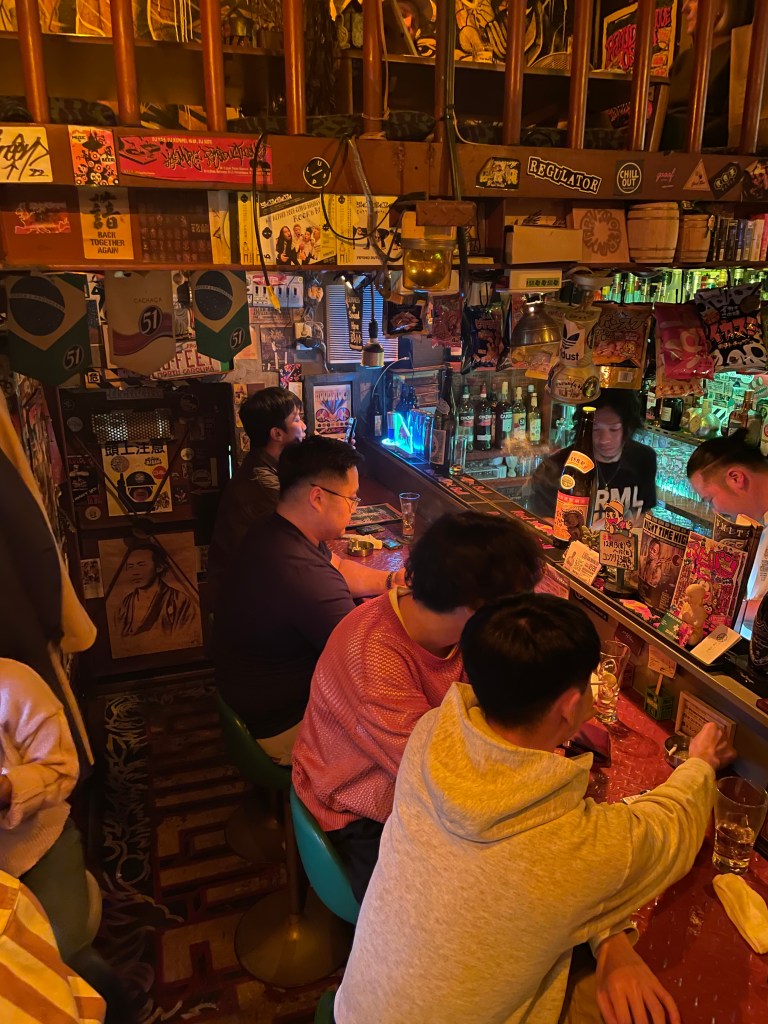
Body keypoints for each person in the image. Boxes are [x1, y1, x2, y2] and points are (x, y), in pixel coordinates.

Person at [334, 594, 736, 1024]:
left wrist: (609, 937)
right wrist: (701, 764)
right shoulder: (577, 844)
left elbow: (548, 877)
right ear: (568, 708)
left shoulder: (431, 733)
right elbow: (671, 827)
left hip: (358, 1007)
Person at [292, 512, 544, 901]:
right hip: (356, 807)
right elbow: (438, 775)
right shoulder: (375, 655)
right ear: (478, 608)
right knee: (480, 902)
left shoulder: (452, 630)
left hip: (404, 780)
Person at [214, 436, 405, 765]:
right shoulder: (300, 574)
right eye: (351, 499)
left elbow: (340, 567)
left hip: (249, 697)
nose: (354, 508)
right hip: (282, 725)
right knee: (405, 730)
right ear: (317, 497)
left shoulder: (274, 530)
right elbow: (365, 662)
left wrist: (393, 582)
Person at [0, 657, 133, 1023]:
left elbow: (62, 771)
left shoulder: (13, 682)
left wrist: (9, 789)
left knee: (62, 958)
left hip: (37, 848)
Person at [207, 388, 306, 602]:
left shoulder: (267, 464)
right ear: (277, 434)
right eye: (297, 419)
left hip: (253, 582)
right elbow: (306, 518)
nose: (304, 426)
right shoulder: (263, 482)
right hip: (242, 596)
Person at [529, 389, 656, 529]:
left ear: (628, 427)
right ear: (583, 427)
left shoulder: (643, 459)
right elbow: (541, 523)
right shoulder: (557, 466)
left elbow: (646, 512)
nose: (604, 440)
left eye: (614, 429)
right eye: (595, 429)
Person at [687, 428, 768, 632]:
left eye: (710, 500)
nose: (715, 511)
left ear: (735, 478)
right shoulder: (758, 521)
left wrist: (724, 611)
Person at [662, 0, 754, 151]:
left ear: (722, 5)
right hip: (666, 153)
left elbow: (732, 126)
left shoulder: (742, 54)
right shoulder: (683, 60)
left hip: (709, 157)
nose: (684, 8)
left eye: (693, 0)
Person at [112, 541, 196, 640]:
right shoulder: (124, 606)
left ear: (159, 566)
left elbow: (185, 638)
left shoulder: (179, 601)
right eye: (130, 566)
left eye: (141, 565)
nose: (135, 572)